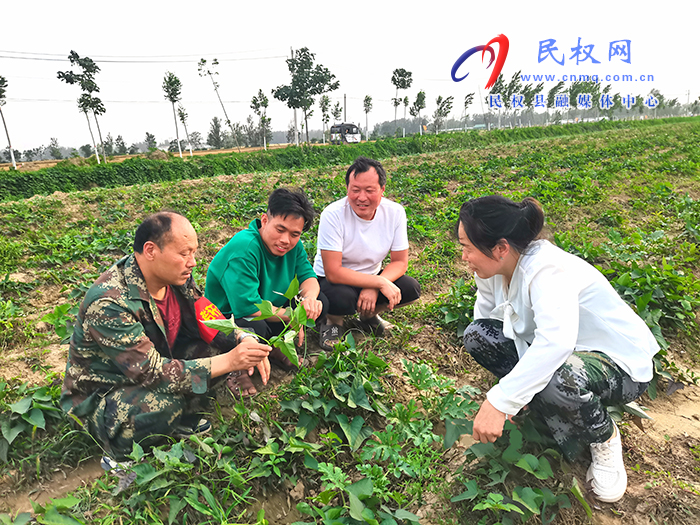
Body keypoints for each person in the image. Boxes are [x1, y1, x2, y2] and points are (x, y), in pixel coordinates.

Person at [456, 195, 657, 503]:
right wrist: (512, 393)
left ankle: (604, 437)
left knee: (558, 375)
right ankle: (540, 400)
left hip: (618, 363)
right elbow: (487, 321)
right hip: (564, 357)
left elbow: (557, 343)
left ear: (500, 248)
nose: (464, 257)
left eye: (468, 247)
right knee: (477, 335)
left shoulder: (545, 268)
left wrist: (500, 400)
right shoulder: (492, 271)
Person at [61, 212, 271, 466]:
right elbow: (152, 373)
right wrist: (231, 362)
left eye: (194, 252)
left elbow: (206, 318)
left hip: (153, 366)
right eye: (184, 254)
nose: (192, 262)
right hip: (105, 393)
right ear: (150, 250)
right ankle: (118, 452)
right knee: (165, 404)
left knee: (212, 355)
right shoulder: (109, 303)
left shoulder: (175, 278)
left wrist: (241, 337)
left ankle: (175, 421)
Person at [205, 187, 327, 380]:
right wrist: (293, 316)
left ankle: (274, 349)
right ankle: (239, 371)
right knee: (254, 327)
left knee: (321, 301)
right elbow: (248, 308)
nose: (285, 240)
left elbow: (307, 277)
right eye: (280, 230)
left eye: (295, 234)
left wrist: (309, 300)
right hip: (230, 319)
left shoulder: (295, 247)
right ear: (264, 220)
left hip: (270, 308)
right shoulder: (244, 248)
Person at [314, 156, 420, 350]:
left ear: (382, 190)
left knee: (409, 288)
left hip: (371, 275)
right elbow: (333, 271)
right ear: (347, 189)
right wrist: (379, 283)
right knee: (340, 298)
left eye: (369, 190)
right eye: (355, 190)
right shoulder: (333, 214)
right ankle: (333, 322)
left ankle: (368, 315)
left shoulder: (395, 213)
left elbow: (400, 262)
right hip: (333, 280)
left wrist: (374, 286)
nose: (361, 197)